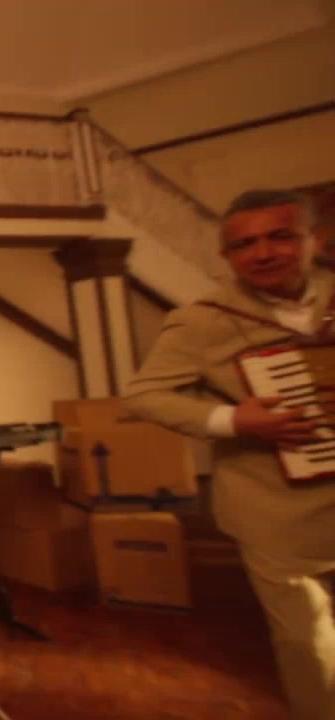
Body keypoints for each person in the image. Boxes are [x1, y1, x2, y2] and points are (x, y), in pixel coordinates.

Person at [122, 189, 335, 720]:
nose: (262, 254)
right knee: (307, 639)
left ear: (314, 240)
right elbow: (143, 395)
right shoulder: (202, 321)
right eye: (244, 245)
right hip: (275, 509)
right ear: (226, 255)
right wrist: (236, 421)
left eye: (281, 237)